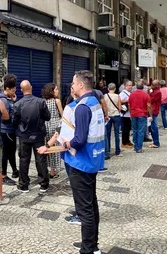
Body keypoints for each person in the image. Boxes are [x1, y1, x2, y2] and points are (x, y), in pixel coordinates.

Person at [61, 70, 105, 253]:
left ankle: (88, 249)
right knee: (91, 205)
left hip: (81, 163)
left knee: (84, 209)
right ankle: (91, 244)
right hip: (94, 160)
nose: (71, 85)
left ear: (80, 84)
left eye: (73, 82)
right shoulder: (94, 102)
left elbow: (79, 139)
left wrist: (66, 143)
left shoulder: (82, 107)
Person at [13, 80, 51, 193]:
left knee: (24, 159)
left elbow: (14, 121)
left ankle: (24, 184)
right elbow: (47, 117)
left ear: (21, 90)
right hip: (38, 135)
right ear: (31, 87)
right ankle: (44, 183)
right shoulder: (41, 102)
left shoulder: (17, 104)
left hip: (24, 136)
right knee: (41, 159)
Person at [0, 74, 19, 185]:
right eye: (13, 90)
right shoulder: (3, 101)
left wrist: (13, 102)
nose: (15, 92)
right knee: (5, 153)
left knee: (11, 152)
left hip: (9, 130)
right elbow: (6, 117)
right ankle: (3, 175)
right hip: (6, 130)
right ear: (7, 89)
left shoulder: (6, 99)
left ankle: (14, 170)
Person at [42, 83, 64, 177]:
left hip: (46, 125)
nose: (58, 91)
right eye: (56, 89)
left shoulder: (43, 101)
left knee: (47, 147)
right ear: (51, 91)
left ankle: (47, 169)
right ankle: (53, 171)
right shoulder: (57, 101)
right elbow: (62, 115)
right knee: (55, 148)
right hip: (56, 125)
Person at [128, 82, 152, 153]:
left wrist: (131, 112)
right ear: (143, 87)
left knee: (135, 130)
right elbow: (149, 106)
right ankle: (139, 147)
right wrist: (150, 114)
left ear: (136, 87)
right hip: (142, 114)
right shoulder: (146, 95)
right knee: (141, 131)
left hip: (134, 114)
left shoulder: (132, 95)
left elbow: (129, 105)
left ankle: (135, 146)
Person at [104, 83, 122, 158]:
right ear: (115, 89)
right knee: (117, 133)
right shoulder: (117, 96)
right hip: (116, 115)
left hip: (108, 116)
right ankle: (117, 151)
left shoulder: (105, 96)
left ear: (108, 88)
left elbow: (104, 106)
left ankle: (107, 151)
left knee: (107, 134)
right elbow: (120, 107)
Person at [119, 80, 134, 148]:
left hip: (129, 114)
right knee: (125, 129)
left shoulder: (130, 93)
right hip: (124, 114)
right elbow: (119, 101)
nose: (131, 87)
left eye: (131, 85)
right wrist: (127, 101)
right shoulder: (123, 93)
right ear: (125, 86)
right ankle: (124, 143)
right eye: (129, 85)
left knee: (128, 129)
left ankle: (127, 141)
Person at [148, 80, 161, 149]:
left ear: (156, 85)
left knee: (154, 127)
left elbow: (149, 99)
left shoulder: (157, 92)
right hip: (153, 110)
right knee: (152, 126)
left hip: (153, 110)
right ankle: (155, 141)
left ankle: (156, 142)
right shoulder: (154, 91)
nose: (151, 86)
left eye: (152, 85)